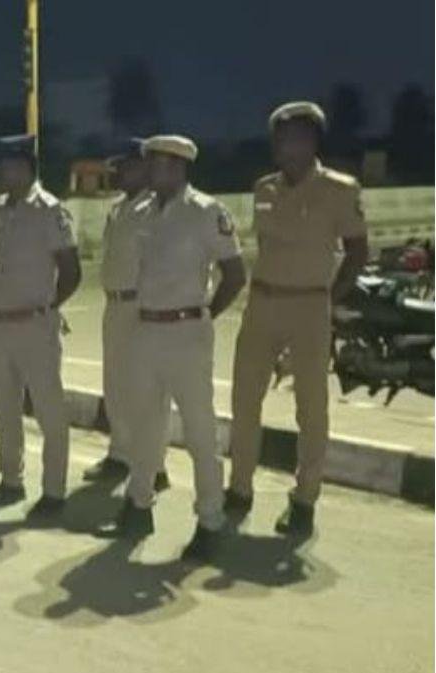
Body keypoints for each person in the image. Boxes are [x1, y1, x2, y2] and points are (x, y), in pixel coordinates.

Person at [226, 101, 369, 537]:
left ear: (312, 142)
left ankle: (304, 500)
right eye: (281, 139)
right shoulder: (264, 188)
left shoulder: (340, 189)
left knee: (311, 409)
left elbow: (357, 252)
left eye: (296, 138)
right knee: (244, 400)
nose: (287, 147)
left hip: (309, 305)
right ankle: (239, 489)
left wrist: (328, 299)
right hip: (262, 303)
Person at [104, 136, 247, 563]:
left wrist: (203, 314)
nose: (151, 171)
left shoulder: (206, 211)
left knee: (200, 431)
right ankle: (138, 505)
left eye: (158, 164)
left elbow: (235, 274)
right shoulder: (143, 212)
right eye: (149, 164)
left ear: (179, 167)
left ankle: (211, 520)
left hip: (186, 333)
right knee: (145, 424)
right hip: (146, 328)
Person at [0, 135, 81, 519]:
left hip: (35, 324)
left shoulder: (49, 210)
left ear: (24, 168)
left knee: (49, 411)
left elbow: (71, 271)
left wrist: (48, 307)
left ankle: (54, 490)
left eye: (7, 166)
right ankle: (10, 479)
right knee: (4, 409)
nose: (0, 173)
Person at [81, 139, 171, 491]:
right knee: (116, 385)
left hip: (142, 307)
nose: (119, 173)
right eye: (117, 167)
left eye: (127, 166)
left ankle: (156, 465)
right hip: (115, 305)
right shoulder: (118, 208)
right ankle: (120, 454)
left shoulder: (158, 207)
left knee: (149, 390)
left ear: (145, 168)